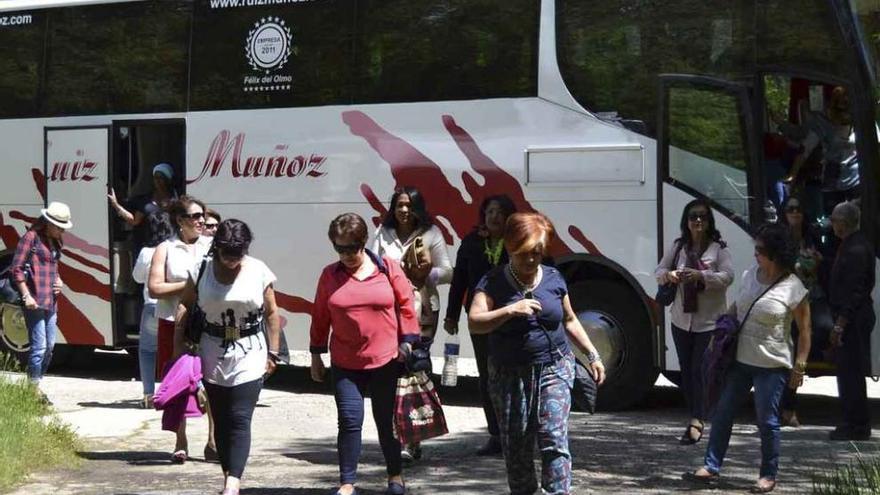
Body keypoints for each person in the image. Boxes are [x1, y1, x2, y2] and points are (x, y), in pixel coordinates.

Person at [468, 212, 606, 495]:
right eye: (525, 254)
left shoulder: (554, 277)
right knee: (517, 449)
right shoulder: (493, 281)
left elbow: (568, 319)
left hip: (554, 367)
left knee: (554, 439)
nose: (532, 260)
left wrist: (592, 353)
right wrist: (510, 310)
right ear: (509, 247)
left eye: (538, 253)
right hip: (509, 374)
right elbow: (475, 322)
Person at [685, 223, 811, 494]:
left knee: (767, 421)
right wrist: (718, 335)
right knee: (722, 413)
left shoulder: (794, 287)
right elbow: (736, 307)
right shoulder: (749, 275)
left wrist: (799, 366)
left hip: (772, 366)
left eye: (761, 250)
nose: (756, 254)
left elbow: (805, 332)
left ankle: (768, 475)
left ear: (776, 254)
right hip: (740, 361)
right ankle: (711, 466)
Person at [310, 213, 420, 495]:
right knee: (349, 420)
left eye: (351, 248)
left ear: (363, 242)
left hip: (385, 359)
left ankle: (395, 476)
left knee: (386, 421)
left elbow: (407, 305)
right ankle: (347, 483)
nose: (345, 254)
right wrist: (316, 354)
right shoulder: (329, 275)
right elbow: (321, 315)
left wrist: (407, 343)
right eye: (339, 248)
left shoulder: (387, 269)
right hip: (345, 362)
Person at [175, 219, 281, 495]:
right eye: (227, 255)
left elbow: (272, 313)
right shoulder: (200, 269)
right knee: (220, 419)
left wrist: (274, 352)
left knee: (240, 417)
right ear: (217, 249)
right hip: (211, 349)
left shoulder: (258, 270)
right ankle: (228, 473)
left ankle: (233, 483)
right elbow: (185, 306)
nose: (233, 261)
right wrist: (178, 352)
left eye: (238, 255)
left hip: (250, 350)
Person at [369, 186, 452, 463]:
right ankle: (397, 432)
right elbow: (368, 265)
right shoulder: (383, 233)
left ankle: (415, 435)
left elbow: (448, 271)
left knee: (416, 366)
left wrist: (426, 274)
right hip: (387, 310)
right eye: (399, 205)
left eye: (409, 205)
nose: (404, 210)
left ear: (418, 208)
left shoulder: (431, 234)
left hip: (422, 310)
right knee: (391, 370)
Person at [654, 199, 733, 445]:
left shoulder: (718, 249)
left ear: (709, 222)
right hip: (681, 319)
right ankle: (694, 414)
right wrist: (670, 275)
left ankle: (698, 419)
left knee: (701, 369)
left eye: (702, 217)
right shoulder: (678, 247)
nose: (697, 221)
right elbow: (658, 272)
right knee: (686, 371)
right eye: (693, 217)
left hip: (708, 321)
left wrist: (702, 275)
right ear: (686, 222)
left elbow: (728, 277)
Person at [443, 194, 517, 456]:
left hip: (512, 319)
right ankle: (495, 435)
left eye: (499, 212)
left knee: (512, 376)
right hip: (481, 320)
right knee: (487, 378)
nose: (493, 217)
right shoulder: (472, 242)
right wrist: (451, 315)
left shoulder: (515, 241)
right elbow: (459, 280)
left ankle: (516, 435)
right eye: (489, 212)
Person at [147, 195, 213, 463]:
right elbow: (155, 288)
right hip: (171, 322)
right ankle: (181, 439)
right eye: (195, 216)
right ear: (180, 220)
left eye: (202, 216)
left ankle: (213, 441)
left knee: (211, 383)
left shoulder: (212, 246)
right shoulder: (165, 248)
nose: (201, 221)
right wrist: (189, 286)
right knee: (179, 383)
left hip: (206, 324)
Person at [777, 196, 833, 427]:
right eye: (790, 209)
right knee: (787, 356)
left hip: (812, 298)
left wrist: (820, 261)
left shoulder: (813, 237)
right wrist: (796, 266)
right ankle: (787, 407)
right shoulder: (779, 239)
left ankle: (811, 359)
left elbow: (826, 264)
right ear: (784, 213)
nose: (795, 212)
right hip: (787, 301)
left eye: (799, 209)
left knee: (824, 328)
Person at [11, 201, 72, 403]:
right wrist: (26, 295)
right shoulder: (31, 238)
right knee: (39, 347)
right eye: (59, 226)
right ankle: (33, 390)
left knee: (50, 346)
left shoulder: (55, 241)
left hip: (51, 300)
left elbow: (53, 267)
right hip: (34, 300)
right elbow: (17, 269)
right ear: (48, 223)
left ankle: (35, 384)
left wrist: (59, 281)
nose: (62, 230)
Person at [827, 201, 876, 441]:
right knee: (848, 371)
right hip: (852, 317)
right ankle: (854, 421)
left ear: (843, 223)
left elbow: (855, 291)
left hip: (853, 320)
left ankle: (855, 424)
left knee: (850, 372)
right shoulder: (851, 245)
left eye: (834, 219)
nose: (831, 224)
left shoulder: (856, 250)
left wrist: (840, 323)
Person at [131, 211, 174, 409]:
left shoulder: (147, 252)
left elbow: (138, 277)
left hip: (151, 307)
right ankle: (173, 392)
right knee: (175, 351)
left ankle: (149, 395)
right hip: (173, 307)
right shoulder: (176, 249)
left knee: (148, 351)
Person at [108, 162, 177, 253]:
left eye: (161, 177)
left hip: (170, 248)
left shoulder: (176, 201)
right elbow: (134, 221)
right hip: (149, 249)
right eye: (155, 177)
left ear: (168, 179)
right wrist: (116, 205)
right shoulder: (146, 201)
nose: (158, 180)